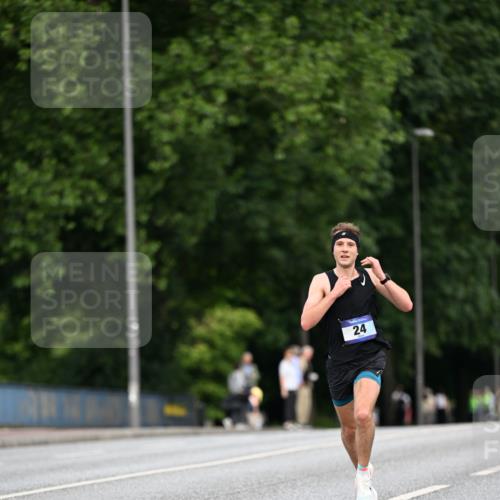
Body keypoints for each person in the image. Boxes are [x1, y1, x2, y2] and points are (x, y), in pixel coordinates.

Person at [300, 222, 413, 500]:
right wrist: (336, 293)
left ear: (357, 250)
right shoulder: (322, 281)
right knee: (349, 429)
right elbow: (306, 322)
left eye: (350, 244)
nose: (345, 249)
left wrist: (382, 275)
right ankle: (363, 469)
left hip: (369, 355)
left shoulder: (369, 277)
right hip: (339, 361)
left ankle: (363, 477)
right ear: (333, 250)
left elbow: (406, 304)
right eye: (340, 244)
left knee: (363, 415)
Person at [279, 346, 303, 430]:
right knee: (288, 405)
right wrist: (283, 388)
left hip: (294, 387)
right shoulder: (283, 363)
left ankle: (292, 421)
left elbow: (297, 374)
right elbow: (282, 376)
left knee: (293, 405)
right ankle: (287, 421)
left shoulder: (294, 363)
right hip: (287, 387)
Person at [296, 345, 318, 426]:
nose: (311, 355)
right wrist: (300, 381)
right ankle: (301, 421)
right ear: (305, 353)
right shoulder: (302, 360)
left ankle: (304, 421)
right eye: (310, 353)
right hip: (303, 386)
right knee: (302, 403)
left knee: (307, 404)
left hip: (307, 385)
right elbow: (299, 372)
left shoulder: (307, 361)